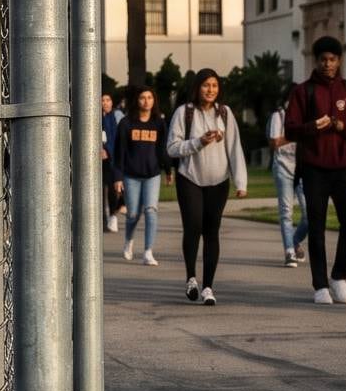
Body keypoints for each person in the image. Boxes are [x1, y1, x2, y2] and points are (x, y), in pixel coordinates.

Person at [284, 37, 346, 304]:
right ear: (316, 61)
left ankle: (339, 277)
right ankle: (320, 285)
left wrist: (341, 127)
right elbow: (290, 130)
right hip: (313, 168)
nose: (327, 64)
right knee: (316, 226)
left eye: (332, 59)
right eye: (323, 59)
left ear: (339, 60)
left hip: (344, 166)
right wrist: (313, 126)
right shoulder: (303, 91)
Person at [166, 69, 249, 304]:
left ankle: (208, 287)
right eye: (205, 85)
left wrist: (240, 182)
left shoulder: (225, 113)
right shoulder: (185, 112)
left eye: (214, 85)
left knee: (212, 232)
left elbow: (234, 148)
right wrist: (198, 142)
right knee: (193, 227)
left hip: (219, 181)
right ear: (197, 88)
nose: (210, 90)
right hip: (189, 178)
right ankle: (191, 278)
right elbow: (172, 148)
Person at [115, 85, 167, 265]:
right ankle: (129, 241)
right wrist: (118, 177)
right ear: (136, 101)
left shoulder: (159, 123)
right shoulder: (127, 123)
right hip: (131, 175)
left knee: (151, 210)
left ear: (154, 101)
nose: (146, 101)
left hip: (152, 174)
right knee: (133, 214)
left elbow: (163, 149)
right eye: (142, 98)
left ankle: (148, 251)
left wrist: (168, 170)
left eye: (150, 98)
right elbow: (119, 151)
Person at [266, 104, 303, 266]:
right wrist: (297, 134)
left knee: (311, 213)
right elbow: (274, 143)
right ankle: (289, 251)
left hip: (303, 166)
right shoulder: (279, 116)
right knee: (286, 211)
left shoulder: (307, 114)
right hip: (283, 166)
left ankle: (293, 241)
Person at [100, 91, 127, 234]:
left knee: (112, 190)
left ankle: (113, 216)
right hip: (99, 160)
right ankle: (103, 221)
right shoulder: (95, 117)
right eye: (102, 100)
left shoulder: (117, 117)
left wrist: (108, 151)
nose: (105, 103)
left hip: (113, 160)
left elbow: (119, 140)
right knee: (99, 192)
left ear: (112, 102)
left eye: (107, 99)